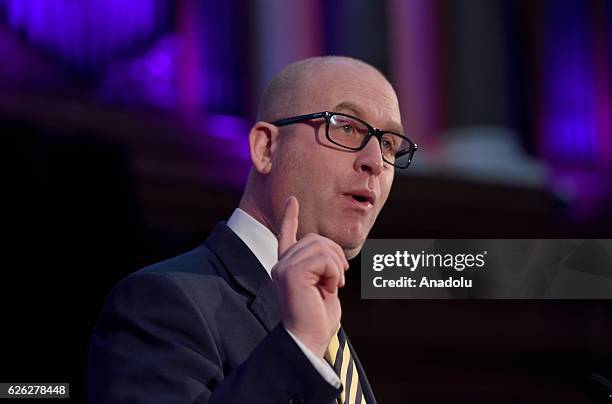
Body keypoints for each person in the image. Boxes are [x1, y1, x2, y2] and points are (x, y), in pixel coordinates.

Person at [86, 55, 417, 404]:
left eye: (389, 144)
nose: (376, 161)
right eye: (347, 127)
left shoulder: (332, 335)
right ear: (266, 148)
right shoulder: (159, 302)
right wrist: (299, 347)